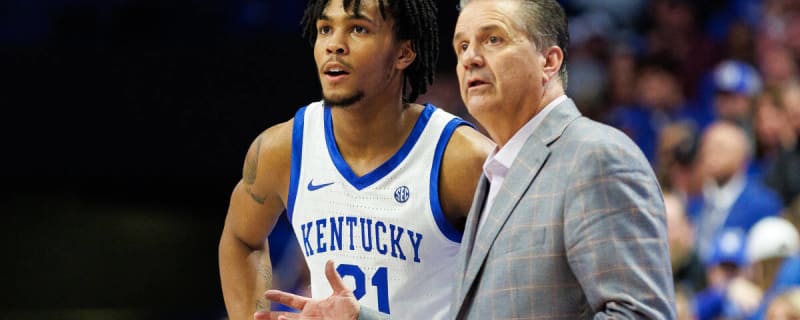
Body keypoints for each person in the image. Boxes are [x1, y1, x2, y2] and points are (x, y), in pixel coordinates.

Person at [262, 0, 676, 318]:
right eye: (462, 46)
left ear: (548, 61)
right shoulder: (496, 173)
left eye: (493, 39)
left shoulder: (594, 155)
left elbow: (639, 313)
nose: (470, 58)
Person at [217, 0, 493, 319]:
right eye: (325, 29)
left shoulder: (464, 159)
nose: (334, 44)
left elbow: (529, 293)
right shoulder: (282, 149)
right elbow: (241, 239)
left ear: (404, 53)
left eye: (358, 29)